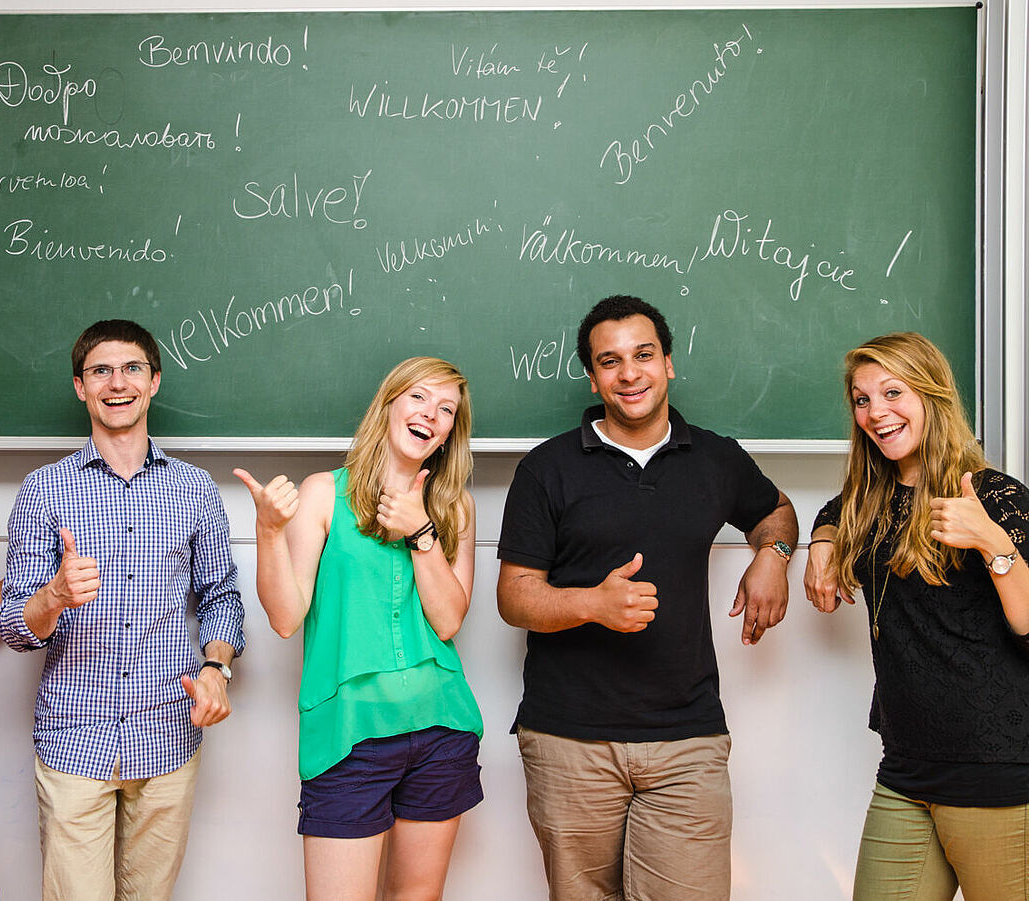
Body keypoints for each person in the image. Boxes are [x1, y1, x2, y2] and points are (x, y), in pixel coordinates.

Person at [496, 295, 798, 901]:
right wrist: (591, 605)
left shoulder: (716, 458)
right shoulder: (546, 469)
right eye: (611, 361)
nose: (629, 373)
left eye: (643, 355)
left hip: (688, 737)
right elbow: (515, 597)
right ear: (593, 376)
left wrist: (774, 557)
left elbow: (777, 513)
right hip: (569, 741)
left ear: (668, 363)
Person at [0, 319, 244, 901]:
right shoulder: (43, 489)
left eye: (132, 368)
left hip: (167, 735)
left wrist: (216, 668)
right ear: (80, 387)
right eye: (100, 371)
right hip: (73, 736)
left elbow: (222, 596)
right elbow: (14, 626)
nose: (117, 383)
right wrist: (54, 594)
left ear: (154, 382)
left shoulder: (195, 489)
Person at [233, 356, 483, 901]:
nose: (430, 415)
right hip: (349, 735)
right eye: (418, 398)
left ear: (449, 435)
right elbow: (284, 618)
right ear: (388, 405)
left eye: (446, 410)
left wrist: (420, 532)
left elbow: (448, 619)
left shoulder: (453, 507)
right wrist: (269, 533)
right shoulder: (324, 493)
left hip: (441, 726)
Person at [803, 332, 1029, 900]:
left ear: (932, 396)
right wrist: (823, 541)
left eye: (893, 392)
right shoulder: (871, 496)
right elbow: (836, 508)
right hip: (905, 769)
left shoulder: (993, 495)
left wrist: (993, 544)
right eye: (862, 400)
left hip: (996, 772)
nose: (876, 413)